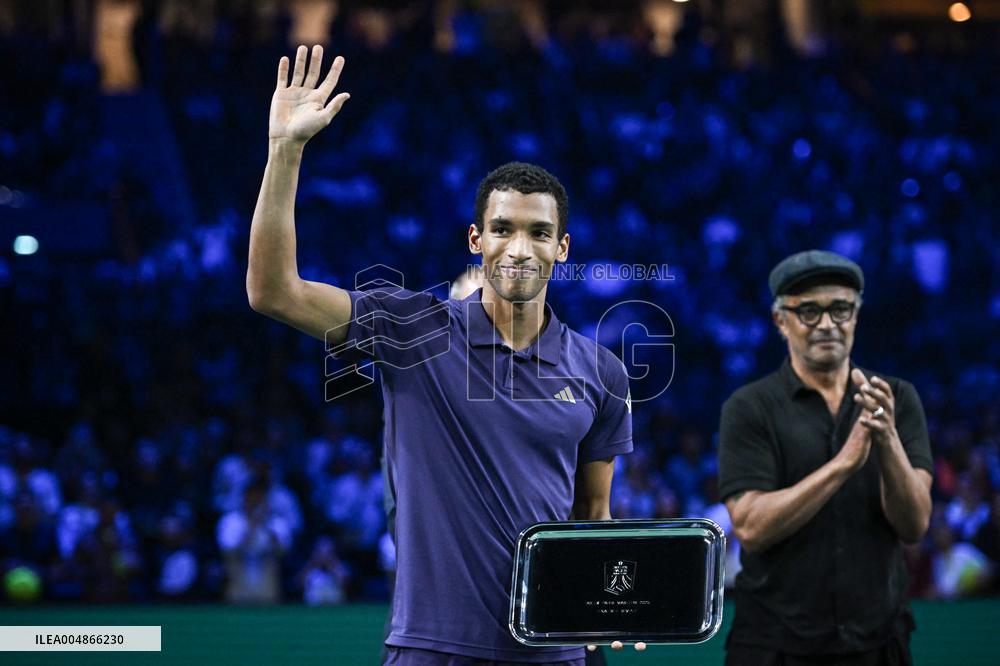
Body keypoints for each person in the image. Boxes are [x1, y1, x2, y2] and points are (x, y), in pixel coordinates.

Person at [247, 45, 639, 663]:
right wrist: (284, 150)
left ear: (562, 248)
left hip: (553, 652)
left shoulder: (602, 372)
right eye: (503, 229)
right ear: (476, 239)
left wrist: (609, 603)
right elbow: (274, 291)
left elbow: (593, 514)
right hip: (431, 651)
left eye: (539, 233)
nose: (519, 248)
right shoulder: (413, 328)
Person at [717, 250, 934, 666]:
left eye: (840, 309)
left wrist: (887, 438)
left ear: (856, 316)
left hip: (878, 642)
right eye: (809, 312)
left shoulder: (896, 398)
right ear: (780, 320)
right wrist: (843, 465)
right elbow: (751, 527)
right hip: (773, 645)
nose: (827, 324)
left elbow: (914, 525)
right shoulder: (749, 407)